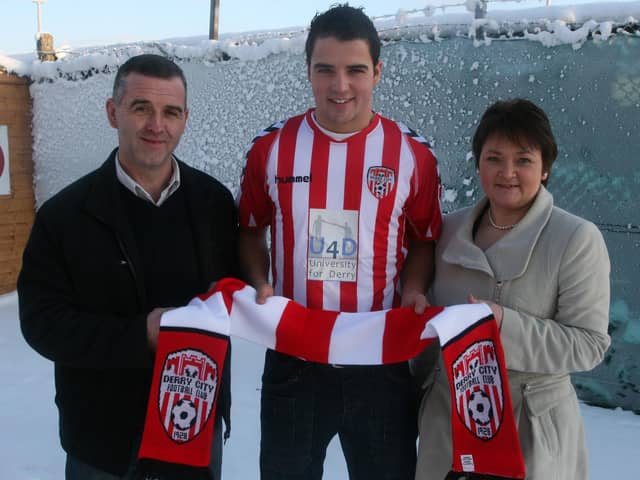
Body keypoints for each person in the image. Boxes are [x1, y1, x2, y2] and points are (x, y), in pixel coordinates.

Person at [236, 4, 442, 479]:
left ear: (378, 72)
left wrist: (413, 290)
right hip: (294, 356)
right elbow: (249, 229)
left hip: (379, 358)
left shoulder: (413, 154)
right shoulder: (271, 148)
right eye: (325, 69)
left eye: (355, 70)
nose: (340, 85)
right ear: (308, 70)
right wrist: (259, 281)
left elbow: (425, 240)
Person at [18, 54, 237, 480]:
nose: (157, 125)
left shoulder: (213, 204)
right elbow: (42, 323)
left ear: (185, 119)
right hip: (103, 443)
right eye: (141, 109)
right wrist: (142, 335)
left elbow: (232, 291)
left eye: (170, 112)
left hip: (192, 430)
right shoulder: (64, 216)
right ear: (112, 112)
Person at [415, 99, 611, 479]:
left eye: (523, 160)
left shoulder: (575, 238)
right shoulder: (446, 231)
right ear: (478, 163)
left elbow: (588, 344)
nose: (507, 172)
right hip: (449, 424)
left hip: (530, 431)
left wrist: (502, 325)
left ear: (546, 168)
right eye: (494, 158)